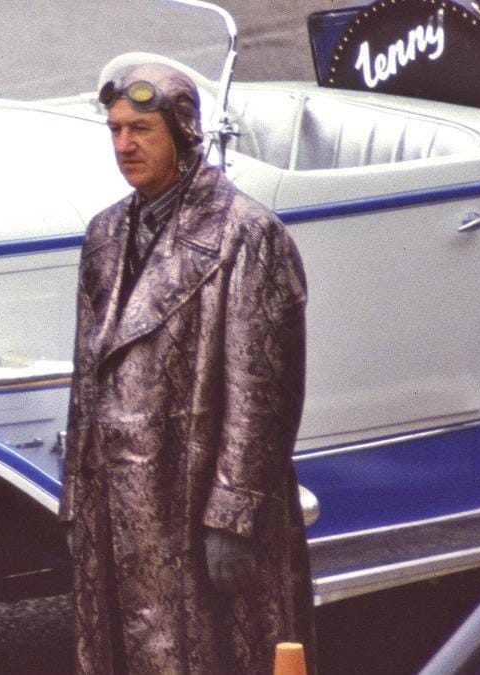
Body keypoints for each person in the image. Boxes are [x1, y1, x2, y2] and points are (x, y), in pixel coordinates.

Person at [58, 62, 316, 674]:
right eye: (116, 130)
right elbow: (85, 383)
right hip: (115, 510)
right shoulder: (104, 235)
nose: (125, 144)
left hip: (198, 507)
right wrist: (76, 500)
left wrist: (234, 515)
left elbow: (264, 394)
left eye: (141, 129)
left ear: (183, 132)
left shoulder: (246, 233)